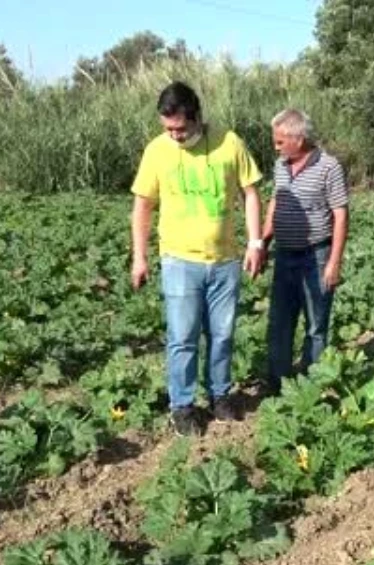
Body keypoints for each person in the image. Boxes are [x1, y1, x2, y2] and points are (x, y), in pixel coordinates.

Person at [129, 81, 265, 436]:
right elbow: (142, 206)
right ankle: (183, 405)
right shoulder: (156, 151)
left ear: (197, 117)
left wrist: (255, 243)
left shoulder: (229, 142)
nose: (174, 135)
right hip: (179, 261)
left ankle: (220, 395)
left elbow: (250, 193)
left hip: (225, 261)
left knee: (222, 334)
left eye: (181, 128)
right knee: (183, 337)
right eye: (168, 128)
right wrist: (139, 257)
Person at [262, 108, 350, 396]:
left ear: (298, 139)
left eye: (279, 142)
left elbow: (340, 214)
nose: (275, 147)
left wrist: (334, 262)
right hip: (284, 254)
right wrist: (263, 241)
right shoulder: (280, 165)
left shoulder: (329, 166)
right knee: (279, 321)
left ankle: (313, 385)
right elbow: (275, 201)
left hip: (317, 255)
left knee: (316, 324)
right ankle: (278, 384)